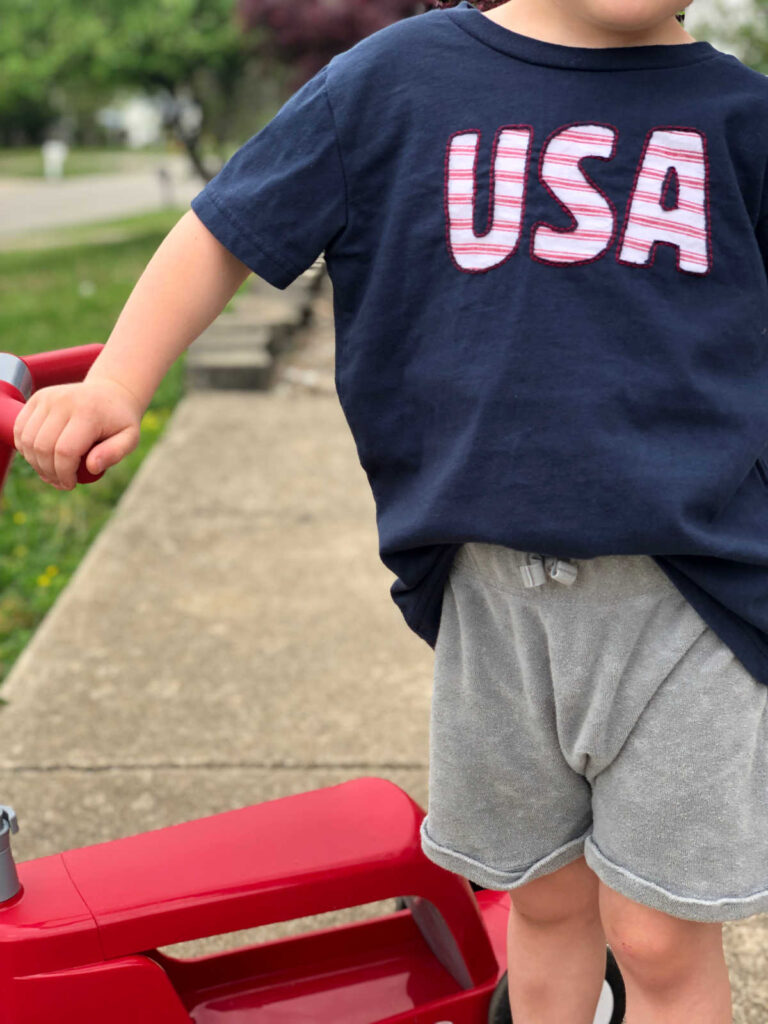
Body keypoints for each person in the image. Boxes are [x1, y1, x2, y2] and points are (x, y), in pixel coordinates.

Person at [13, 1, 768, 1020]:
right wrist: (116, 380)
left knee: (658, 932)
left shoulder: (738, 115)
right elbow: (224, 226)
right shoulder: (399, 81)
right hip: (490, 595)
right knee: (543, 903)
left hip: (693, 597)